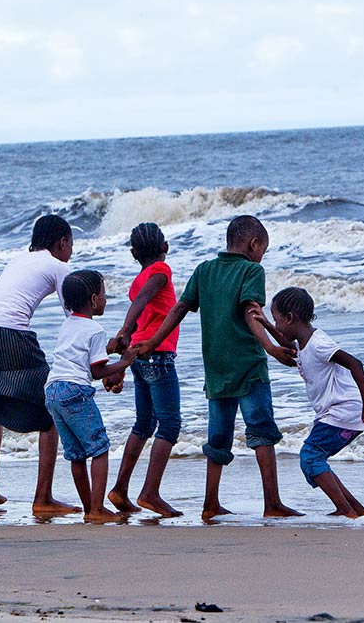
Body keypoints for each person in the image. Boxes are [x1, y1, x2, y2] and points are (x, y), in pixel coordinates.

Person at [133, 215, 302, 522]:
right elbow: (252, 313)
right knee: (261, 431)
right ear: (253, 244)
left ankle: (210, 503)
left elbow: (179, 308)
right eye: (262, 249)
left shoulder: (204, 270)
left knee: (218, 437)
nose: (262, 255)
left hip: (216, 369)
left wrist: (152, 341)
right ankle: (272, 502)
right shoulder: (252, 270)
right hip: (248, 366)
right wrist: (273, 349)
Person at [0, 214, 78, 514]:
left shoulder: (19, 259)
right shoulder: (59, 265)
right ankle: (43, 498)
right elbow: (74, 314)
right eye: (71, 244)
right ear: (62, 242)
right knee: (49, 410)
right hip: (11, 333)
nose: (71, 251)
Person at [249, 287, 364, 518]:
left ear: (291, 318)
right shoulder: (303, 341)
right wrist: (267, 324)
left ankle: (345, 509)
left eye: (279, 320)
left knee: (310, 456)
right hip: (336, 411)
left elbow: (355, 363)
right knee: (315, 457)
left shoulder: (319, 343)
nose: (278, 326)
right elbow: (287, 342)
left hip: (344, 409)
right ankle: (355, 509)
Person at [104, 222, 183, 517]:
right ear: (165, 247)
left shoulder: (138, 278)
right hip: (156, 354)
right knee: (170, 424)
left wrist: (123, 362)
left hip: (138, 356)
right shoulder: (161, 272)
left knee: (145, 423)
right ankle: (150, 492)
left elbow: (139, 313)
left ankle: (120, 489)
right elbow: (141, 304)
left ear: (134, 253)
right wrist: (124, 330)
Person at [44, 270, 134, 523]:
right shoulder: (95, 328)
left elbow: (80, 354)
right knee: (100, 448)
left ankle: (89, 508)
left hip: (53, 390)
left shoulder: (68, 323)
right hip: (75, 391)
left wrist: (110, 350)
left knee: (76, 454)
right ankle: (97, 508)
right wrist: (125, 362)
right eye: (103, 294)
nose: (105, 299)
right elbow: (97, 371)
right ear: (94, 300)